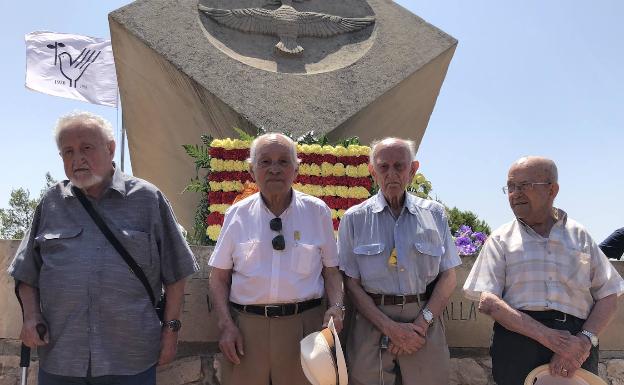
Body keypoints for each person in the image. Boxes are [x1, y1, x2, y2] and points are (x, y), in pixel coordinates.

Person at [8, 111, 199, 385]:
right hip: (62, 357)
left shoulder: (147, 199)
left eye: (86, 148)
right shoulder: (51, 203)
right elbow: (26, 272)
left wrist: (171, 331)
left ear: (111, 149)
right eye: (68, 152)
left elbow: (177, 272)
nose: (77, 159)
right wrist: (31, 316)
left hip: (130, 357)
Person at [463, 156, 624, 385]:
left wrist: (584, 341)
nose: (515, 193)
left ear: (552, 190)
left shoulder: (580, 235)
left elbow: (608, 294)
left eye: (524, 185)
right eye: (510, 186)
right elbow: (488, 301)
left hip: (578, 344)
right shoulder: (500, 239)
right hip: (518, 343)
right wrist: (551, 338)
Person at [208, 133, 344, 385]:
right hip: (247, 332)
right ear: (251, 170)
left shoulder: (317, 212)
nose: (274, 169)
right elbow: (218, 277)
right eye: (265, 162)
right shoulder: (237, 214)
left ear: (296, 169)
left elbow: (332, 271)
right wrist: (226, 325)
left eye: (283, 161)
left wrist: (337, 307)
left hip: (304, 329)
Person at [338, 137, 460, 385]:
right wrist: (390, 328)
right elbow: (350, 283)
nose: (391, 174)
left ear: (413, 170)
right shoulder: (354, 218)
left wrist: (422, 324)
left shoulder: (434, 214)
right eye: (383, 167)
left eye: (399, 166)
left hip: (424, 322)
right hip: (372, 322)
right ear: (372, 171)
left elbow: (448, 276)